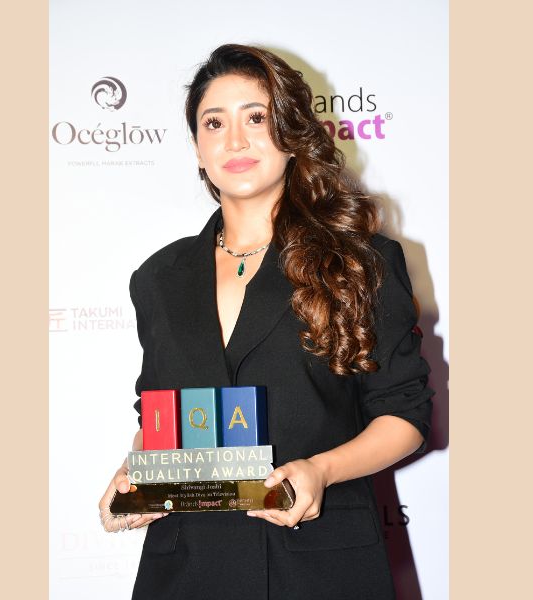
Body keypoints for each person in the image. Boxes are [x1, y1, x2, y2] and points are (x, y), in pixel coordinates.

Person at [99, 43, 433, 600]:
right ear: (197, 147)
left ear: (291, 133)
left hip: (320, 567)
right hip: (188, 569)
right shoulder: (158, 278)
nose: (235, 140)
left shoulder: (361, 261)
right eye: (214, 123)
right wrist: (138, 472)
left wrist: (321, 471)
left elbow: (405, 414)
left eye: (255, 117)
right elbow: (159, 415)